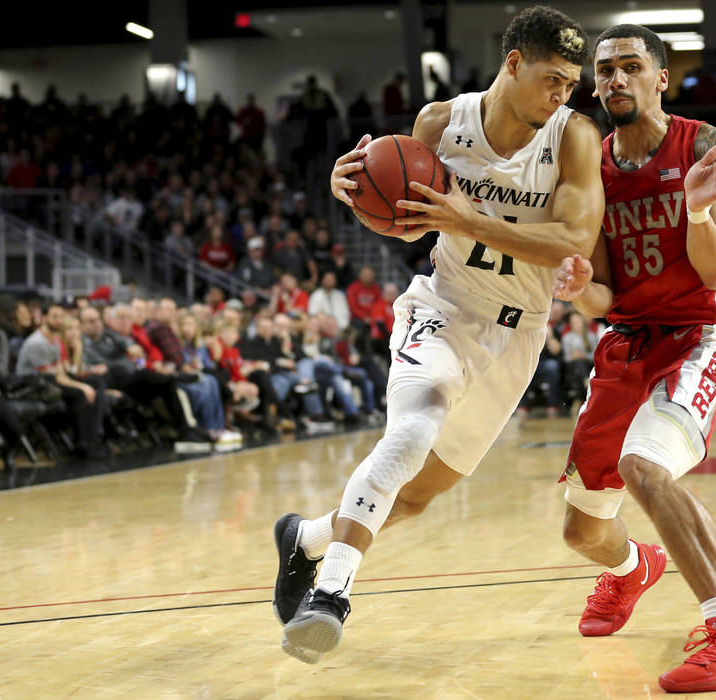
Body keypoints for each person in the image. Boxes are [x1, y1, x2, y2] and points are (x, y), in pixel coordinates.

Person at [274, 5, 604, 665]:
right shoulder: (440, 123)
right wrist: (357, 192)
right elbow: (404, 218)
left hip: (518, 335)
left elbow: (573, 238)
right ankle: (331, 595)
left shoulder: (574, 137)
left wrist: (470, 218)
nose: (562, 94)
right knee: (413, 428)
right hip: (446, 307)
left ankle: (306, 537)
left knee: (420, 494)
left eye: (570, 83)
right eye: (552, 79)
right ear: (513, 63)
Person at [552, 24, 716, 693]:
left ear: (660, 77)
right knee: (581, 529)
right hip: (627, 342)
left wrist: (696, 212)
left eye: (630, 67)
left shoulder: (709, 146)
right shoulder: (589, 168)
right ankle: (632, 569)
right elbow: (601, 296)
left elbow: (715, 274)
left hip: (696, 334)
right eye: (604, 71)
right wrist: (574, 289)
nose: (615, 80)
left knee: (643, 466)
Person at [15, 304, 109, 460]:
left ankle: (94, 438)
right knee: (79, 394)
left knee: (94, 383)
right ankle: (82, 443)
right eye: (54, 316)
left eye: (61, 316)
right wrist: (81, 387)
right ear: (44, 318)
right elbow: (52, 376)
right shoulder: (37, 343)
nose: (59, 321)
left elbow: (60, 373)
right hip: (33, 386)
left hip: (49, 382)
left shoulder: (55, 341)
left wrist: (83, 385)